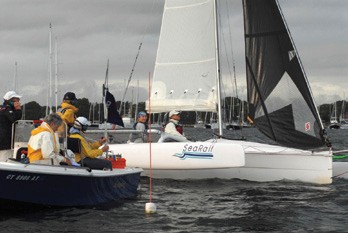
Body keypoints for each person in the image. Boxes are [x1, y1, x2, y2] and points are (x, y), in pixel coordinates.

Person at [0, 91, 23, 161]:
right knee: (5, 160)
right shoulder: (7, 109)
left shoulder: (2, 108)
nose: (19, 101)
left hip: (3, 141)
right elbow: (15, 119)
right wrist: (18, 109)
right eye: (17, 99)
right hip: (6, 142)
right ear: (11, 100)